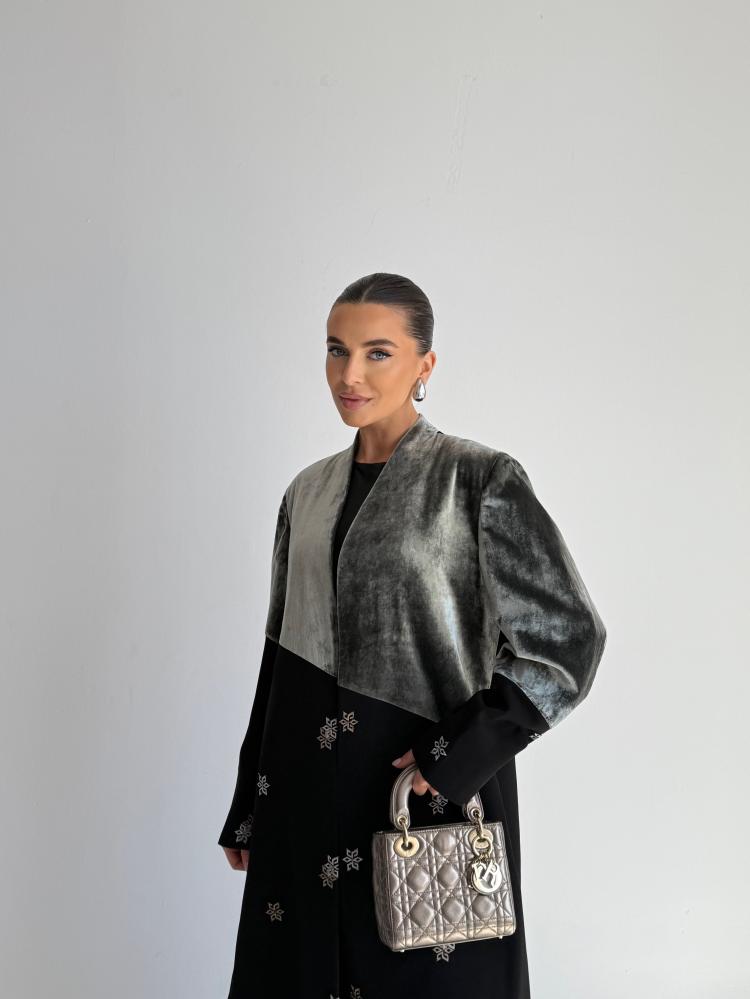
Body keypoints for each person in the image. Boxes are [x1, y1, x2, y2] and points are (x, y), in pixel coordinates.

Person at [218, 272, 607, 998]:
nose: (350, 375)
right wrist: (250, 803)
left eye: (378, 353)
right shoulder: (306, 492)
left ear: (425, 365)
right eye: (337, 350)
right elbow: (279, 652)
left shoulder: (478, 479)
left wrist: (459, 752)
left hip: (423, 787)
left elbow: (567, 640)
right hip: (303, 790)